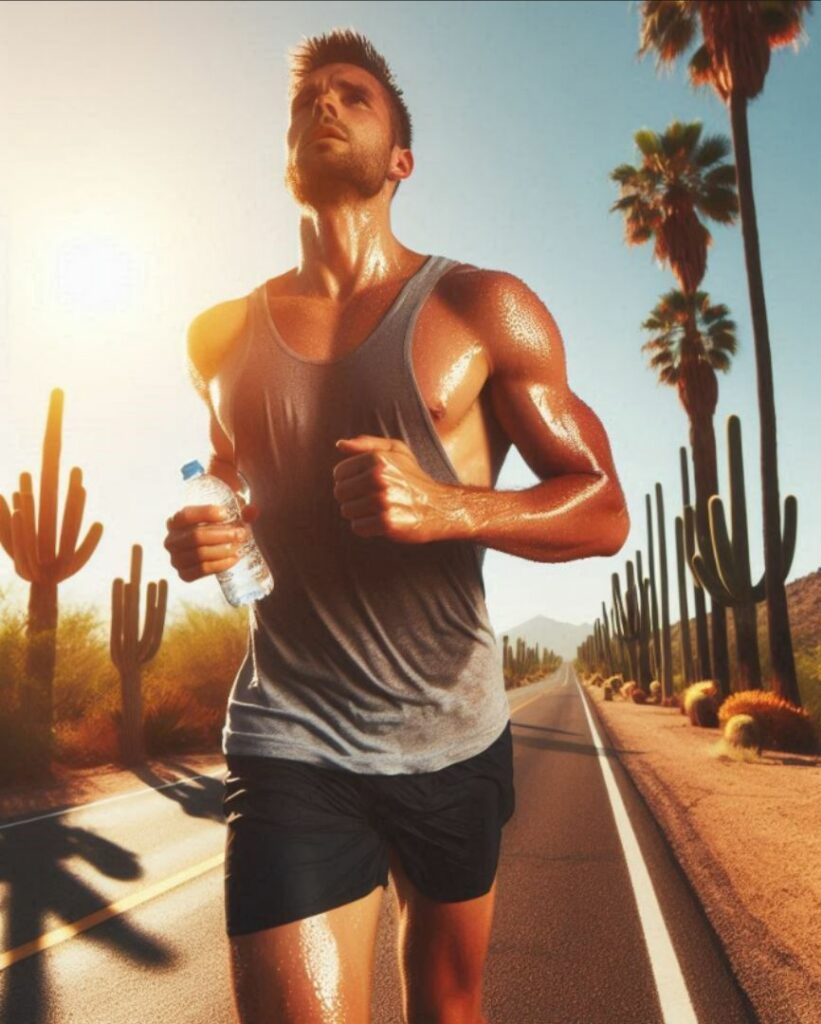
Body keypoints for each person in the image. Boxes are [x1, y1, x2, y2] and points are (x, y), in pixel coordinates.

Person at [163, 26, 629, 1024]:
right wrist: (216, 543)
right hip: (293, 739)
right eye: (306, 103)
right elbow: (241, 505)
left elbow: (601, 506)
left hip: (453, 734)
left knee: (448, 1006)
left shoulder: (481, 308)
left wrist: (448, 505)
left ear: (401, 161)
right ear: (288, 155)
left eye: (353, 97)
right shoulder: (215, 340)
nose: (322, 107)